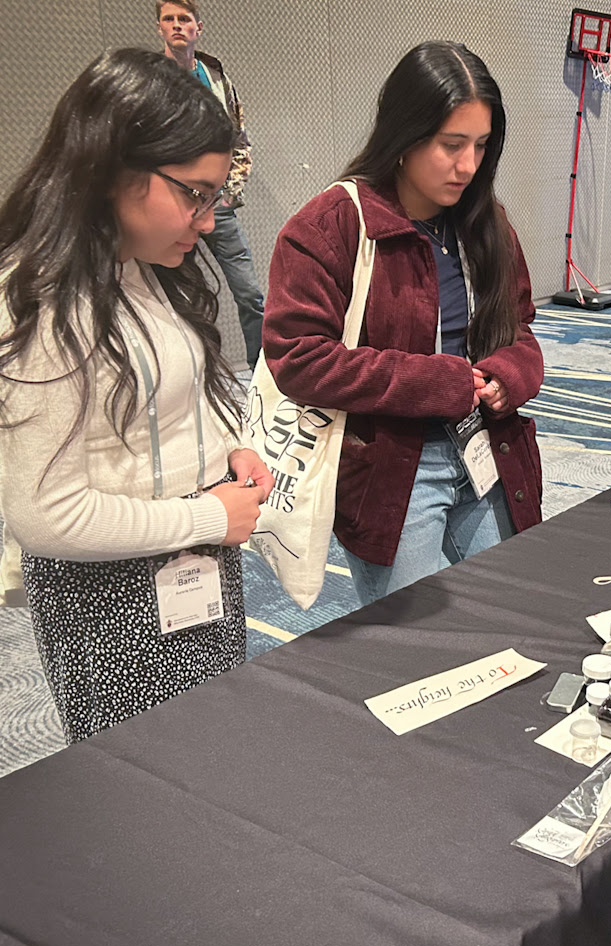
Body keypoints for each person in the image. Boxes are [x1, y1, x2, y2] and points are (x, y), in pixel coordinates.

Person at [0, 49, 272, 743]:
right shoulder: (43, 301)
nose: (208, 221)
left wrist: (227, 447)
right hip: (110, 597)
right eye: (194, 193)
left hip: (197, 560)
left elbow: (174, 383)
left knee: (214, 753)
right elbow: (46, 516)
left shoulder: (144, 261)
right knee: (144, 792)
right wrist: (206, 517)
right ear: (114, 168)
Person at [263, 42, 543, 607]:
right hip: (390, 466)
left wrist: (509, 374)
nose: (468, 165)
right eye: (451, 145)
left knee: (508, 608)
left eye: (482, 146)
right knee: (418, 643)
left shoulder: (485, 221)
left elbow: (521, 329)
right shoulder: (332, 225)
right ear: (405, 135)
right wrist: (435, 382)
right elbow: (297, 356)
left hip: (488, 447)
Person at [158, 0, 265, 369]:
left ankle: (261, 376)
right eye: (168, 19)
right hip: (171, 209)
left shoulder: (218, 79)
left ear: (197, 28)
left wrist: (229, 194)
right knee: (175, 299)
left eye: (183, 19)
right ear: (159, 28)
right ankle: (190, 375)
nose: (176, 26)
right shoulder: (152, 79)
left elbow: (240, 141)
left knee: (250, 294)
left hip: (218, 208)